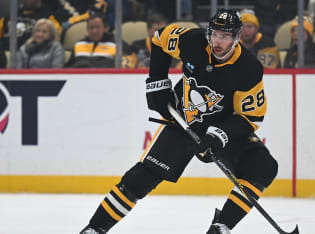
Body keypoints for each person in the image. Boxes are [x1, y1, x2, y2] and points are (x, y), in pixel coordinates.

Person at [79, 9, 278, 234]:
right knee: (142, 177)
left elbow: (249, 117)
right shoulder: (192, 41)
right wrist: (157, 82)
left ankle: (221, 227)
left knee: (263, 167)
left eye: (225, 37)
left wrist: (218, 135)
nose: (217, 42)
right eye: (214, 34)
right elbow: (159, 38)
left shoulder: (248, 69)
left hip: (223, 125)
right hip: (184, 119)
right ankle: (94, 229)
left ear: (236, 38)